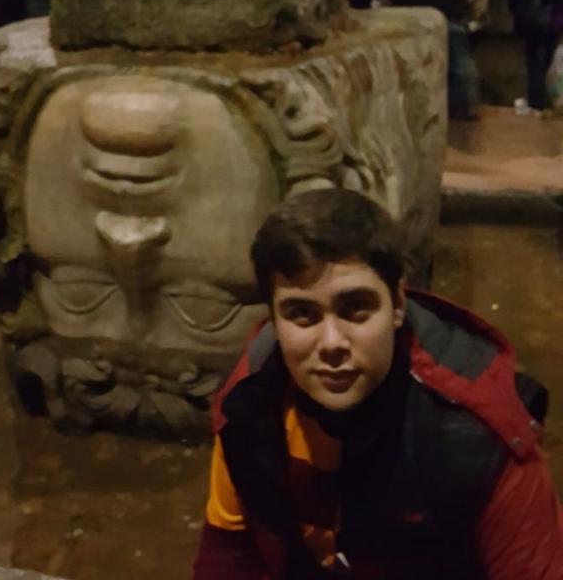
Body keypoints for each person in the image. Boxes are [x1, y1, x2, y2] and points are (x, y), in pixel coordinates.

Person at [193, 188, 563, 579]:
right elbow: (229, 554)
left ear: (398, 305)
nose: (332, 343)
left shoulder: (476, 436)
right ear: (273, 321)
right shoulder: (250, 402)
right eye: (302, 313)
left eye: (355, 308)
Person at [507, 0, 563, 116]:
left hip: (531, 20)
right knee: (547, 60)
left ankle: (536, 103)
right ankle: (547, 100)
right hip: (554, 20)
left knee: (534, 62)